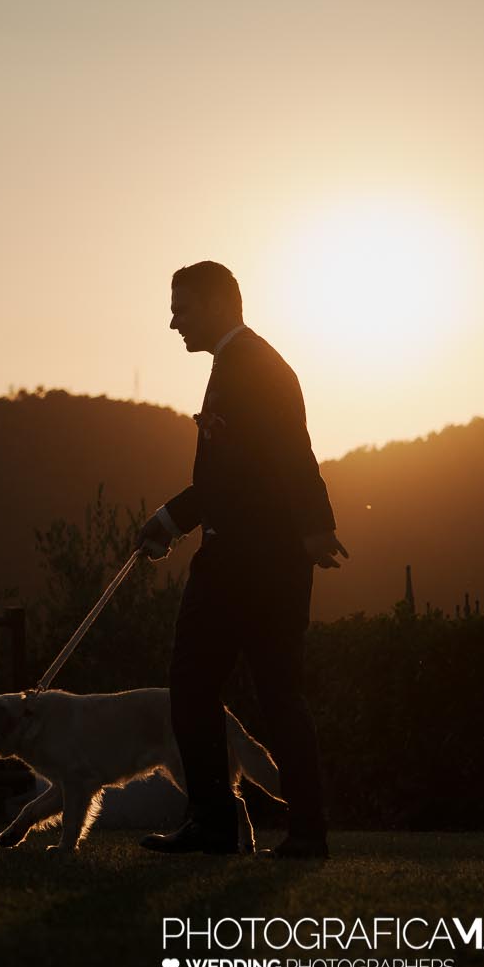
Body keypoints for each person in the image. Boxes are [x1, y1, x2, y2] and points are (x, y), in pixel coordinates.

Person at [134, 261, 347, 860]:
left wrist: (168, 520)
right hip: (258, 557)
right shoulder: (243, 363)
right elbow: (259, 462)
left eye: (182, 306)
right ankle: (300, 833)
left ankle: (220, 826)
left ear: (218, 305)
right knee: (274, 694)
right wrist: (312, 526)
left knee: (200, 686)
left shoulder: (252, 367)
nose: (173, 320)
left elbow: (280, 455)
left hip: (244, 562)